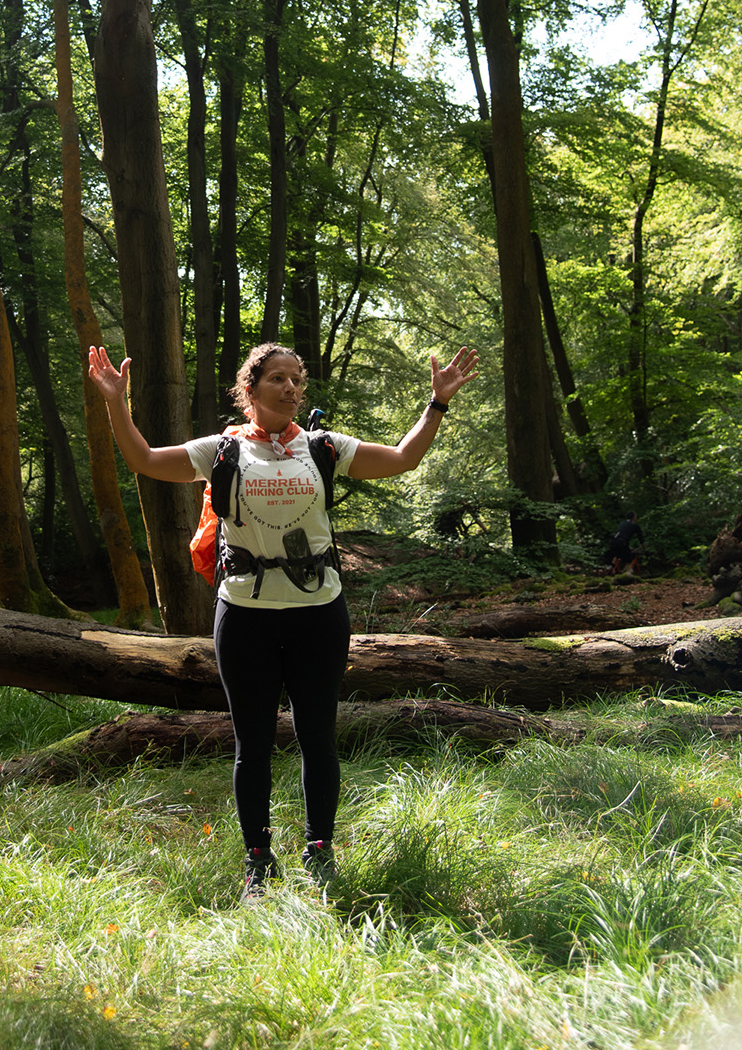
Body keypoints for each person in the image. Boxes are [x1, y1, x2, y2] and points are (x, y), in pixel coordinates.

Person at [87, 339, 479, 901]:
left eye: (298, 379)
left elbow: (402, 459)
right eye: (278, 379)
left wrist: (435, 404)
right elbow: (145, 461)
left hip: (319, 614)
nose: (292, 388)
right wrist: (116, 404)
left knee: (318, 737)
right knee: (253, 744)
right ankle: (258, 861)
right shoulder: (220, 451)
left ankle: (320, 851)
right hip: (244, 614)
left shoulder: (323, 446)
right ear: (250, 389)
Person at [605, 511, 644, 575]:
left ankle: (610, 568)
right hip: (622, 543)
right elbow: (641, 540)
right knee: (630, 558)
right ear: (634, 517)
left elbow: (621, 535)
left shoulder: (622, 523)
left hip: (613, 542)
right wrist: (644, 549)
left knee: (617, 555)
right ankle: (627, 574)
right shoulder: (635, 526)